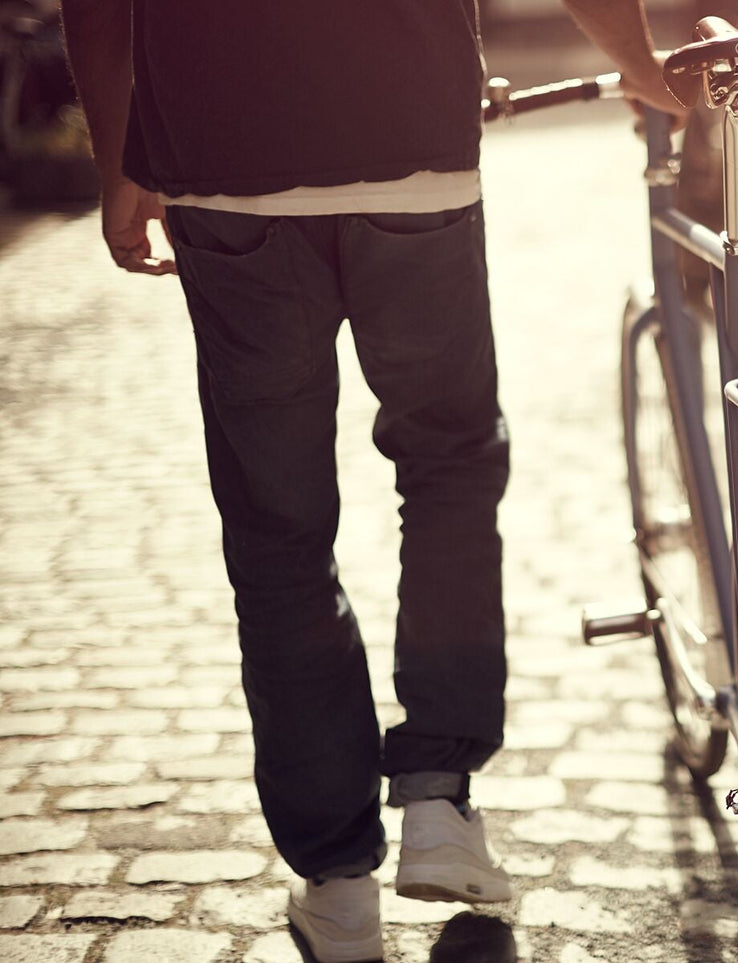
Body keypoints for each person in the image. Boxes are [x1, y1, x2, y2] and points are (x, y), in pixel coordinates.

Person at [59, 2, 681, 961]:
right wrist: (636, 63)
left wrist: (117, 166)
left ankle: (339, 883)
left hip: (227, 176)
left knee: (277, 531)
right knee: (448, 472)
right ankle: (438, 796)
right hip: (411, 158)